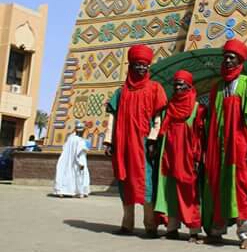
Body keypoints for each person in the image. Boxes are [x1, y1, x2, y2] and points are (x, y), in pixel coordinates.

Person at [203, 39, 247, 249]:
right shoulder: (217, 87)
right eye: (225, 57)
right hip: (220, 148)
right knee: (219, 186)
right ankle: (216, 231)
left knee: (241, 188)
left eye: (231, 58)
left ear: (240, 61)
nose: (227, 61)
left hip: (241, 145)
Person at [105, 44, 167, 237]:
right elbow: (112, 118)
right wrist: (108, 141)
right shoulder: (120, 92)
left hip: (143, 146)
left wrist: (152, 140)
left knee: (145, 183)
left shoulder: (154, 89)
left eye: (144, 65)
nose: (141, 68)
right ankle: (127, 224)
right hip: (123, 145)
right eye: (137, 65)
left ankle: (150, 225)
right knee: (125, 184)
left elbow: (158, 118)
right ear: (130, 66)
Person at [155, 70, 206, 243]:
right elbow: (162, 129)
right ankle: (172, 229)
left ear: (189, 86)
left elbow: (200, 136)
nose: (178, 87)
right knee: (169, 191)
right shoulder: (169, 107)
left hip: (187, 157)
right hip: (169, 156)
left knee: (188, 192)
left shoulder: (197, 108)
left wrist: (198, 158)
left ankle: (193, 231)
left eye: (181, 84)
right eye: (175, 84)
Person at [53, 122, 90, 198]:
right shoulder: (81, 141)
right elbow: (79, 154)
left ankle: (62, 191)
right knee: (79, 176)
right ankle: (80, 192)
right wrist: (80, 164)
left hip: (66, 162)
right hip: (77, 162)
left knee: (66, 174)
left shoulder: (70, 139)